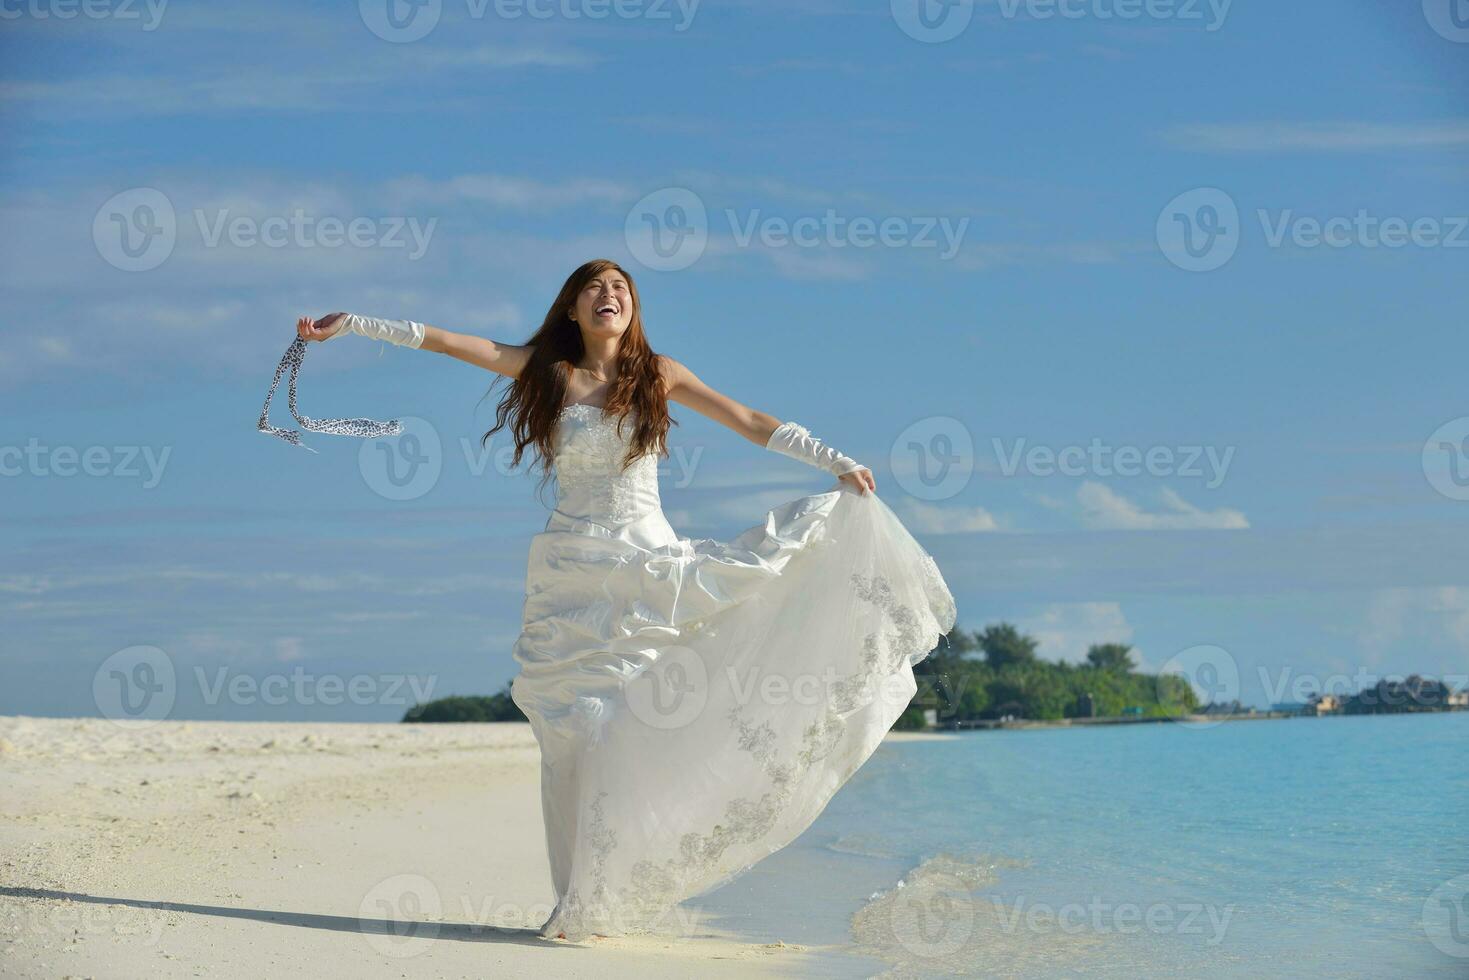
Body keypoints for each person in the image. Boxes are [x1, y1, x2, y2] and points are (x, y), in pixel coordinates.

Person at [282, 259, 957, 943]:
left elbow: (748, 419)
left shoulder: (658, 374)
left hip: (648, 572)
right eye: (594, 288)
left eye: (620, 289)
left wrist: (831, 459)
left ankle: (610, 886)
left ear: (632, 308)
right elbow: (454, 343)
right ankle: (577, 898)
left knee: (627, 728)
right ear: (572, 309)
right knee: (570, 735)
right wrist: (358, 324)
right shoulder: (548, 372)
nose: (609, 296)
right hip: (572, 574)